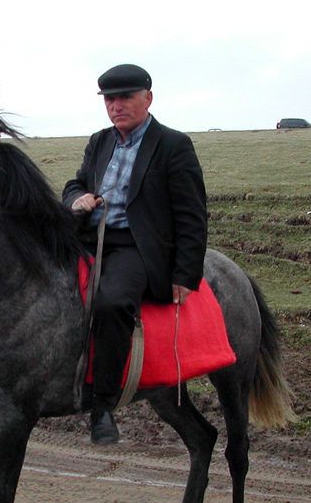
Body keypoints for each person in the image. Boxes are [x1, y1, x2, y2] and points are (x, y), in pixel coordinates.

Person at [63, 64, 208, 444]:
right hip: (87, 236)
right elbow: (77, 181)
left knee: (111, 303)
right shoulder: (99, 141)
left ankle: (103, 405)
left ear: (148, 98)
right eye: (110, 100)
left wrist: (185, 274)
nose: (116, 106)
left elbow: (192, 214)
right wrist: (76, 198)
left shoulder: (173, 145)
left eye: (125, 97)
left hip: (135, 245)